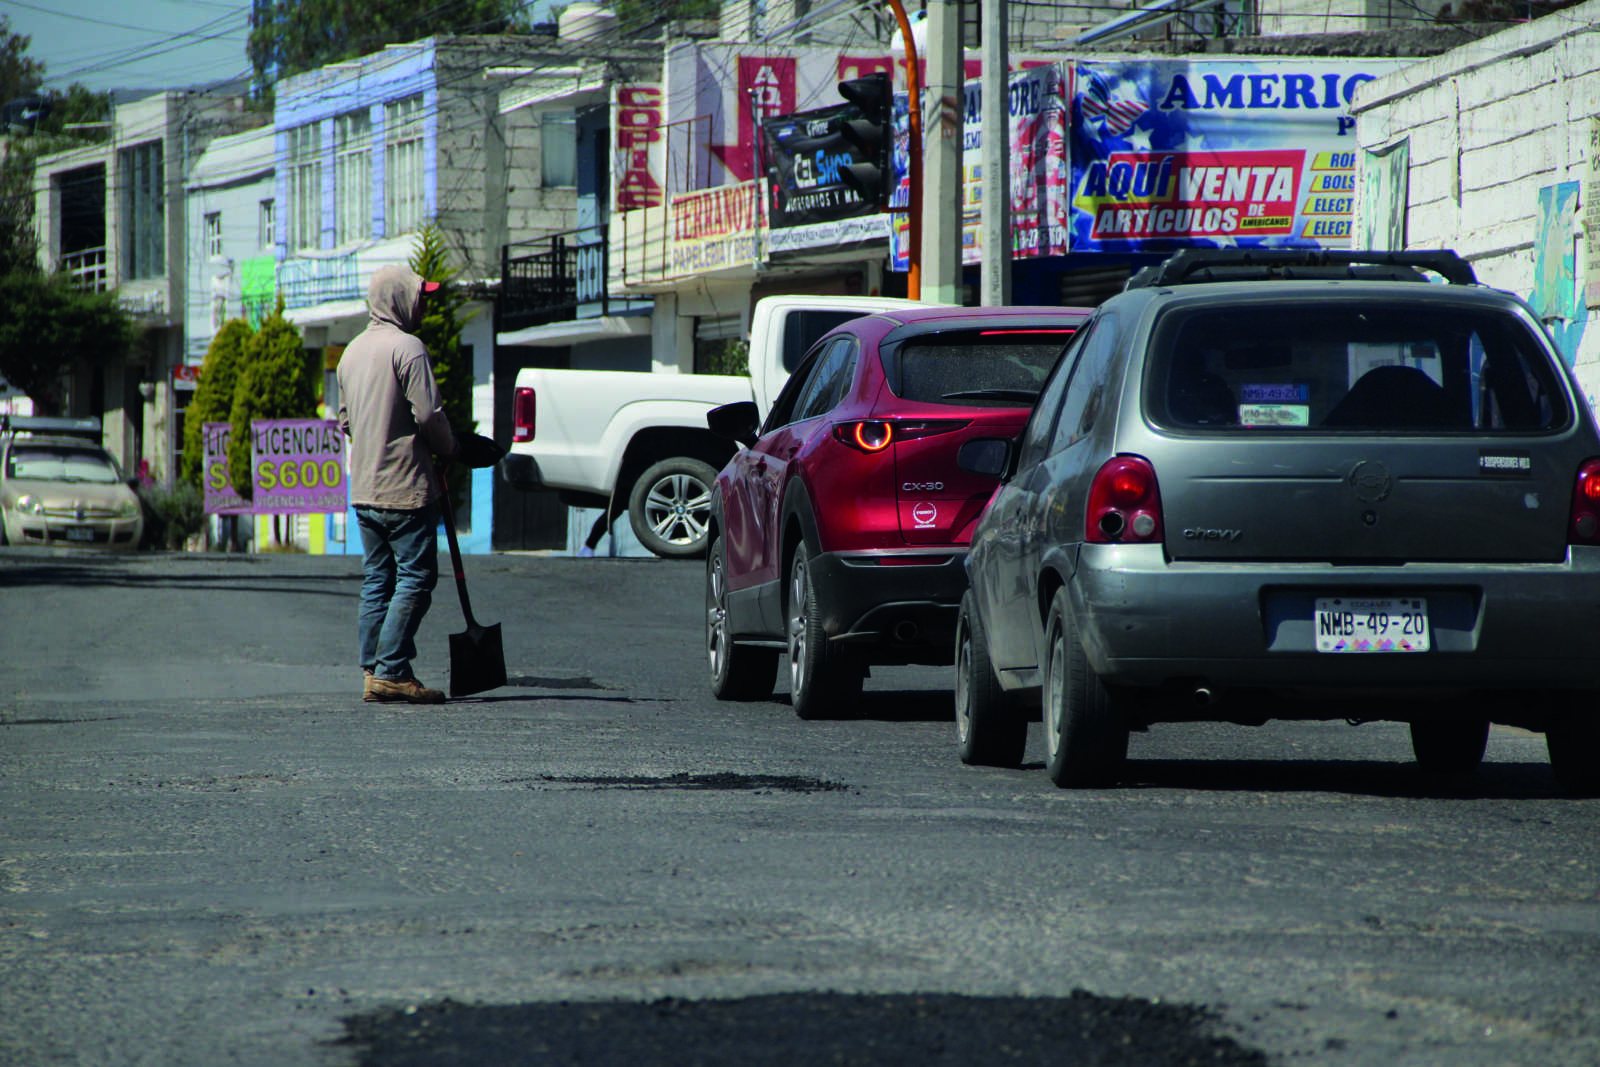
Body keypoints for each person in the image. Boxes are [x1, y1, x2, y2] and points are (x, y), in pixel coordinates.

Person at [338, 265, 460, 704]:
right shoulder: (408, 348)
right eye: (419, 295)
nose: (423, 303)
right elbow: (429, 416)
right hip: (403, 486)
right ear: (398, 298)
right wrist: (449, 449)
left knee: (377, 580)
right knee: (416, 576)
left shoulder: (351, 352)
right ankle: (392, 670)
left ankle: (373, 671)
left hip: (365, 487)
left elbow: (347, 421)